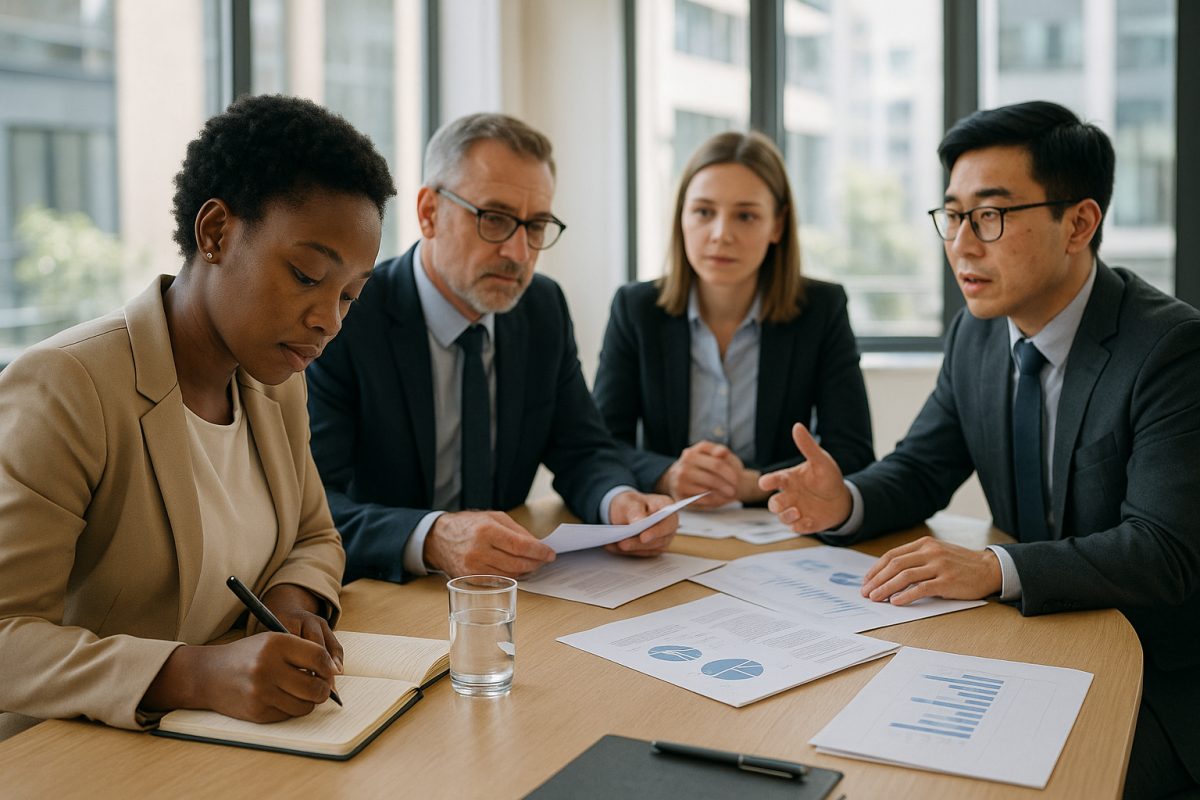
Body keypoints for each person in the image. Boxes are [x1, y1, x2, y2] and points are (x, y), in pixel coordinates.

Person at [759, 101, 1199, 798]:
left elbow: (1162, 553)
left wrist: (995, 568)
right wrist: (846, 500)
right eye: (952, 215)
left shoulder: (1168, 349)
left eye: (990, 216)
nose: (962, 244)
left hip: (1155, 683)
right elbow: (924, 465)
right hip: (1035, 652)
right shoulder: (977, 334)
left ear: (1079, 223)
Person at [0, 94, 396, 740]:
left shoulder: (276, 381)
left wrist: (291, 605)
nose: (330, 321)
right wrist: (195, 674)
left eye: (349, 295)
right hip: (75, 756)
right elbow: (5, 639)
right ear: (215, 234)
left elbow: (316, 537)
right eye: (305, 275)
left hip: (221, 747)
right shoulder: (67, 387)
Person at [307, 112, 677, 584]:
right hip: (385, 593)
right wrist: (431, 537)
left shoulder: (542, 307)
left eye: (536, 226)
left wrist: (619, 499)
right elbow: (315, 506)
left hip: (507, 590)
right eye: (495, 220)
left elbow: (581, 448)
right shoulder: (350, 312)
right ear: (429, 213)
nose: (519, 253)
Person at [593, 131, 874, 509]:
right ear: (682, 217)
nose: (721, 235)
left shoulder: (821, 309)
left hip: (781, 530)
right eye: (704, 212)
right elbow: (600, 443)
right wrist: (669, 474)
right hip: (667, 529)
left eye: (745, 215)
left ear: (777, 225)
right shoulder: (636, 308)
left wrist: (751, 484)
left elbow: (852, 451)